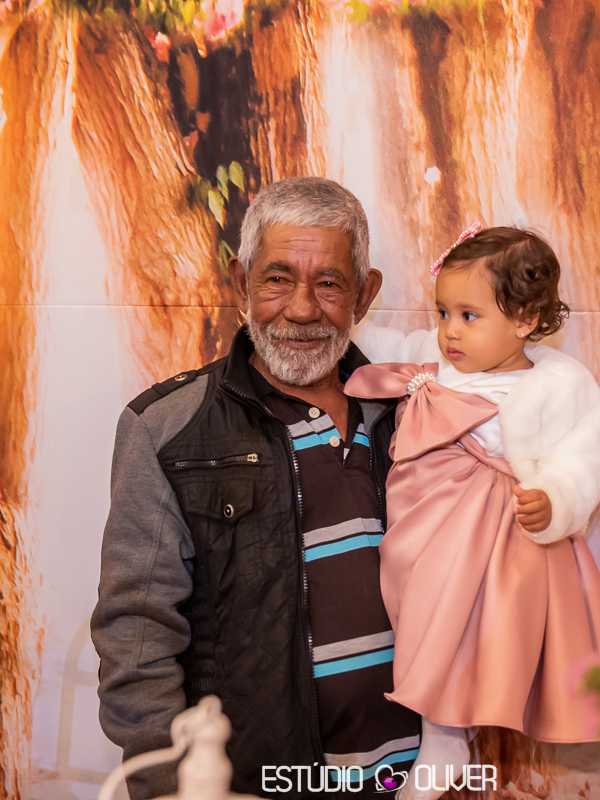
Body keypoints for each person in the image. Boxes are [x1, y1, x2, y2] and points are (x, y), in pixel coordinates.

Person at [91, 177, 423, 800]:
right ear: (240, 281)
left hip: (420, 781)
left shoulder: (417, 413)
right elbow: (137, 634)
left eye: (329, 283)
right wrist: (172, 787)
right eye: (277, 279)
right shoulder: (165, 428)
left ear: (365, 292)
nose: (301, 309)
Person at [347, 226, 600, 800]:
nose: (449, 330)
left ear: (524, 319)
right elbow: (378, 341)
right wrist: (341, 316)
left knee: (463, 629)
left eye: (469, 316)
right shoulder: (431, 359)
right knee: (418, 622)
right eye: (443, 312)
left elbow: (583, 455)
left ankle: (444, 737)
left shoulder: (555, 385)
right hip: (419, 526)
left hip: (490, 535)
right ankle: (446, 728)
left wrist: (556, 497)